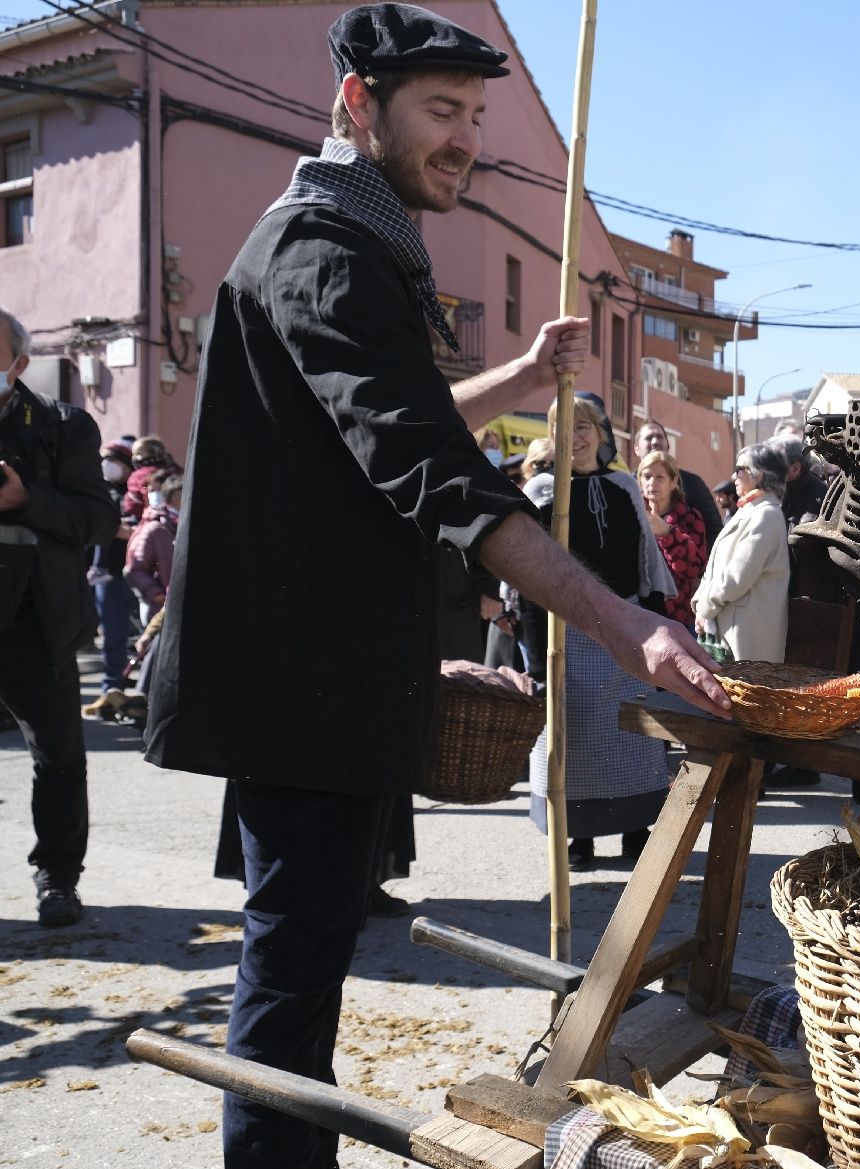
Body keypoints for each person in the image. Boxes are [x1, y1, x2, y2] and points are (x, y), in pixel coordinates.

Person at [140, 10, 725, 1166]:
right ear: (361, 106)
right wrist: (617, 620)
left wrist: (520, 371)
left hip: (331, 675)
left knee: (305, 958)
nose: (464, 141)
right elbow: (423, 463)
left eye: (475, 118)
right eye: (440, 114)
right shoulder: (321, 249)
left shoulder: (365, 248)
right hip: (296, 685)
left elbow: (386, 426)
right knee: (290, 969)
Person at [0, 306, 119, 928]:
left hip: (34, 625)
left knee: (58, 760)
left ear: (19, 365)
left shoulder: (61, 427)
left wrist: (25, 500)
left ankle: (58, 880)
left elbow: (96, 521)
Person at [526, 397, 675, 870]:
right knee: (577, 737)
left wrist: (653, 632)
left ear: (601, 432)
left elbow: (646, 566)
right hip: (565, 630)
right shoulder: (541, 491)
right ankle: (578, 838)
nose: (578, 434)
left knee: (632, 733)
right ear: (553, 435)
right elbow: (527, 573)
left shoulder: (623, 486)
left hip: (626, 625)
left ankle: (636, 829)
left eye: (585, 424)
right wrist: (534, 656)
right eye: (566, 425)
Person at [694, 442, 791, 664]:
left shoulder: (767, 515)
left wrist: (705, 608)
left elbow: (738, 577)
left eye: (740, 469)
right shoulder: (748, 511)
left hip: (747, 636)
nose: (733, 476)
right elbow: (716, 565)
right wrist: (700, 603)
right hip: (729, 628)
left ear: (758, 476)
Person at [87, 441, 136, 699]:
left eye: (113, 460)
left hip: (138, 574)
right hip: (109, 575)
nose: (107, 465)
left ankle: (140, 687)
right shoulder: (101, 492)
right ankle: (112, 687)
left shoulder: (136, 491)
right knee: (113, 635)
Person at [639, 449, 707, 625]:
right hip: (638, 612)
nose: (651, 483)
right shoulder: (631, 514)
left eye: (659, 477)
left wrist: (668, 534)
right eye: (646, 476)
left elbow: (694, 568)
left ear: (673, 482)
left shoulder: (691, 518)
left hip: (677, 617)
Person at [634, 419, 724, 549]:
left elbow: (715, 531)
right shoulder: (628, 487)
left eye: (660, 437)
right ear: (636, 449)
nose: (655, 441)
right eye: (648, 438)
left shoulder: (693, 484)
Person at [123, 472, 181, 619]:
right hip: (159, 613)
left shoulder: (186, 526)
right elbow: (134, 569)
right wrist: (156, 594)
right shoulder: (154, 528)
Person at [769, 431, 827, 529]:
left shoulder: (820, 497)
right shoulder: (770, 490)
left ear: (795, 468)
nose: (767, 470)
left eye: (773, 463)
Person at [122, 434, 178, 523]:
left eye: (138, 454)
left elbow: (146, 493)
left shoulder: (143, 474)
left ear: (153, 454)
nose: (134, 458)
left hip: (141, 515)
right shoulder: (169, 469)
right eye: (133, 454)